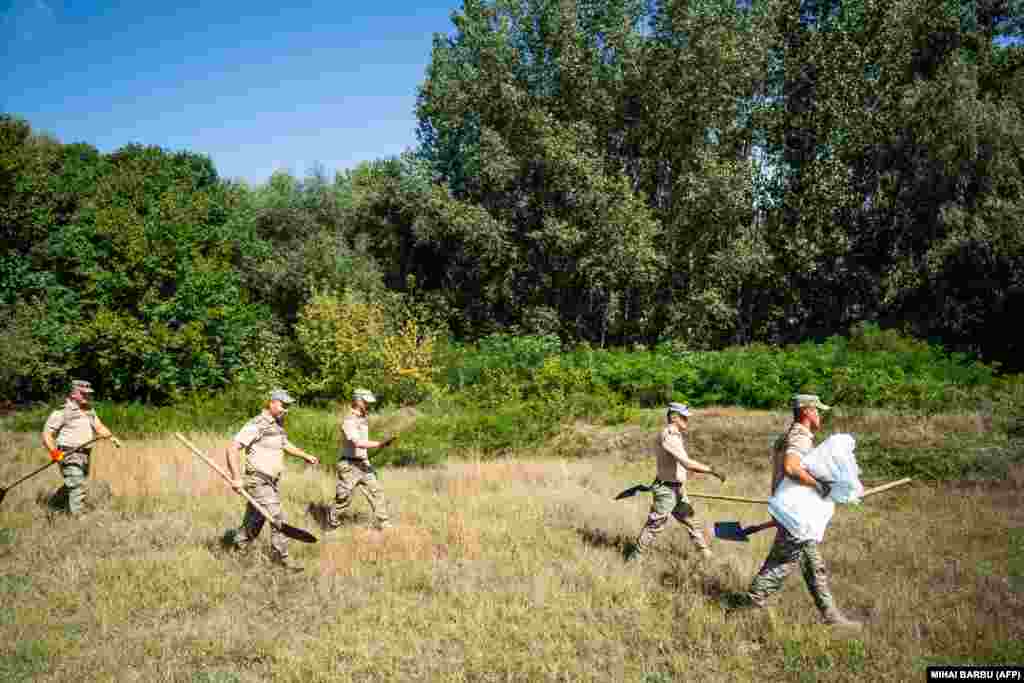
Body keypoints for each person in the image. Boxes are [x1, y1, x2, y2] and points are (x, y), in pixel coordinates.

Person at [739, 394, 862, 629]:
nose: (820, 415)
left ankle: (831, 616)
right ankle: (751, 605)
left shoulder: (787, 435)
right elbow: (791, 467)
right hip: (794, 513)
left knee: (813, 566)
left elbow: (783, 474)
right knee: (783, 561)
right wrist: (820, 486)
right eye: (817, 410)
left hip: (793, 511)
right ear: (807, 411)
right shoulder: (801, 436)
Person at [225, 389, 319, 572]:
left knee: (256, 518)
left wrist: (305, 455)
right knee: (276, 518)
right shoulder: (257, 424)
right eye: (284, 405)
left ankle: (238, 546)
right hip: (257, 480)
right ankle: (282, 559)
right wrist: (236, 478)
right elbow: (232, 448)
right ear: (272, 403)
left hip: (271, 482)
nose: (286, 410)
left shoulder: (277, 425)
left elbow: (284, 444)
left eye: (288, 406)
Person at [627, 403, 726, 561]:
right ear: (674, 417)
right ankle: (634, 559)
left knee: (692, 522)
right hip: (666, 491)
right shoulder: (670, 436)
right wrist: (711, 470)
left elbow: (679, 463)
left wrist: (687, 473)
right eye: (684, 418)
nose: (687, 421)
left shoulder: (676, 435)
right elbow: (686, 462)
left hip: (677, 489)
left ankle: (707, 556)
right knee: (654, 526)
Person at [41, 380, 113, 516]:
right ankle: (79, 517)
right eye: (83, 394)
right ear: (73, 394)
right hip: (68, 453)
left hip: (85, 454)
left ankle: (55, 504)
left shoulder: (89, 410)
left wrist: (110, 436)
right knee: (78, 484)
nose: (87, 396)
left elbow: (99, 426)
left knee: (74, 483)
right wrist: (55, 453)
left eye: (88, 394)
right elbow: (47, 434)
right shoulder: (63, 411)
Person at [327, 388, 395, 531]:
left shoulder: (363, 418)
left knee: (376, 492)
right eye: (365, 402)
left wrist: (382, 445)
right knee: (344, 498)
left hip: (363, 463)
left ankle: (384, 523)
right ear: (357, 401)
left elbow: (363, 443)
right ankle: (332, 524)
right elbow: (357, 442)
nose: (368, 405)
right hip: (349, 465)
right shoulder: (349, 420)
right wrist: (379, 444)